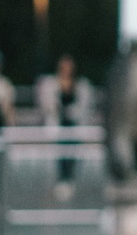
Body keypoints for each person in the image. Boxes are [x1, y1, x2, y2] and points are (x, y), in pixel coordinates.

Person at [37, 54, 95, 195]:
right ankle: (59, 179)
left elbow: (85, 108)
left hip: (75, 127)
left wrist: (72, 113)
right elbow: (46, 106)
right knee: (58, 154)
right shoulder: (50, 84)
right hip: (57, 126)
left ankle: (71, 179)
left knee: (74, 153)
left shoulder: (82, 85)